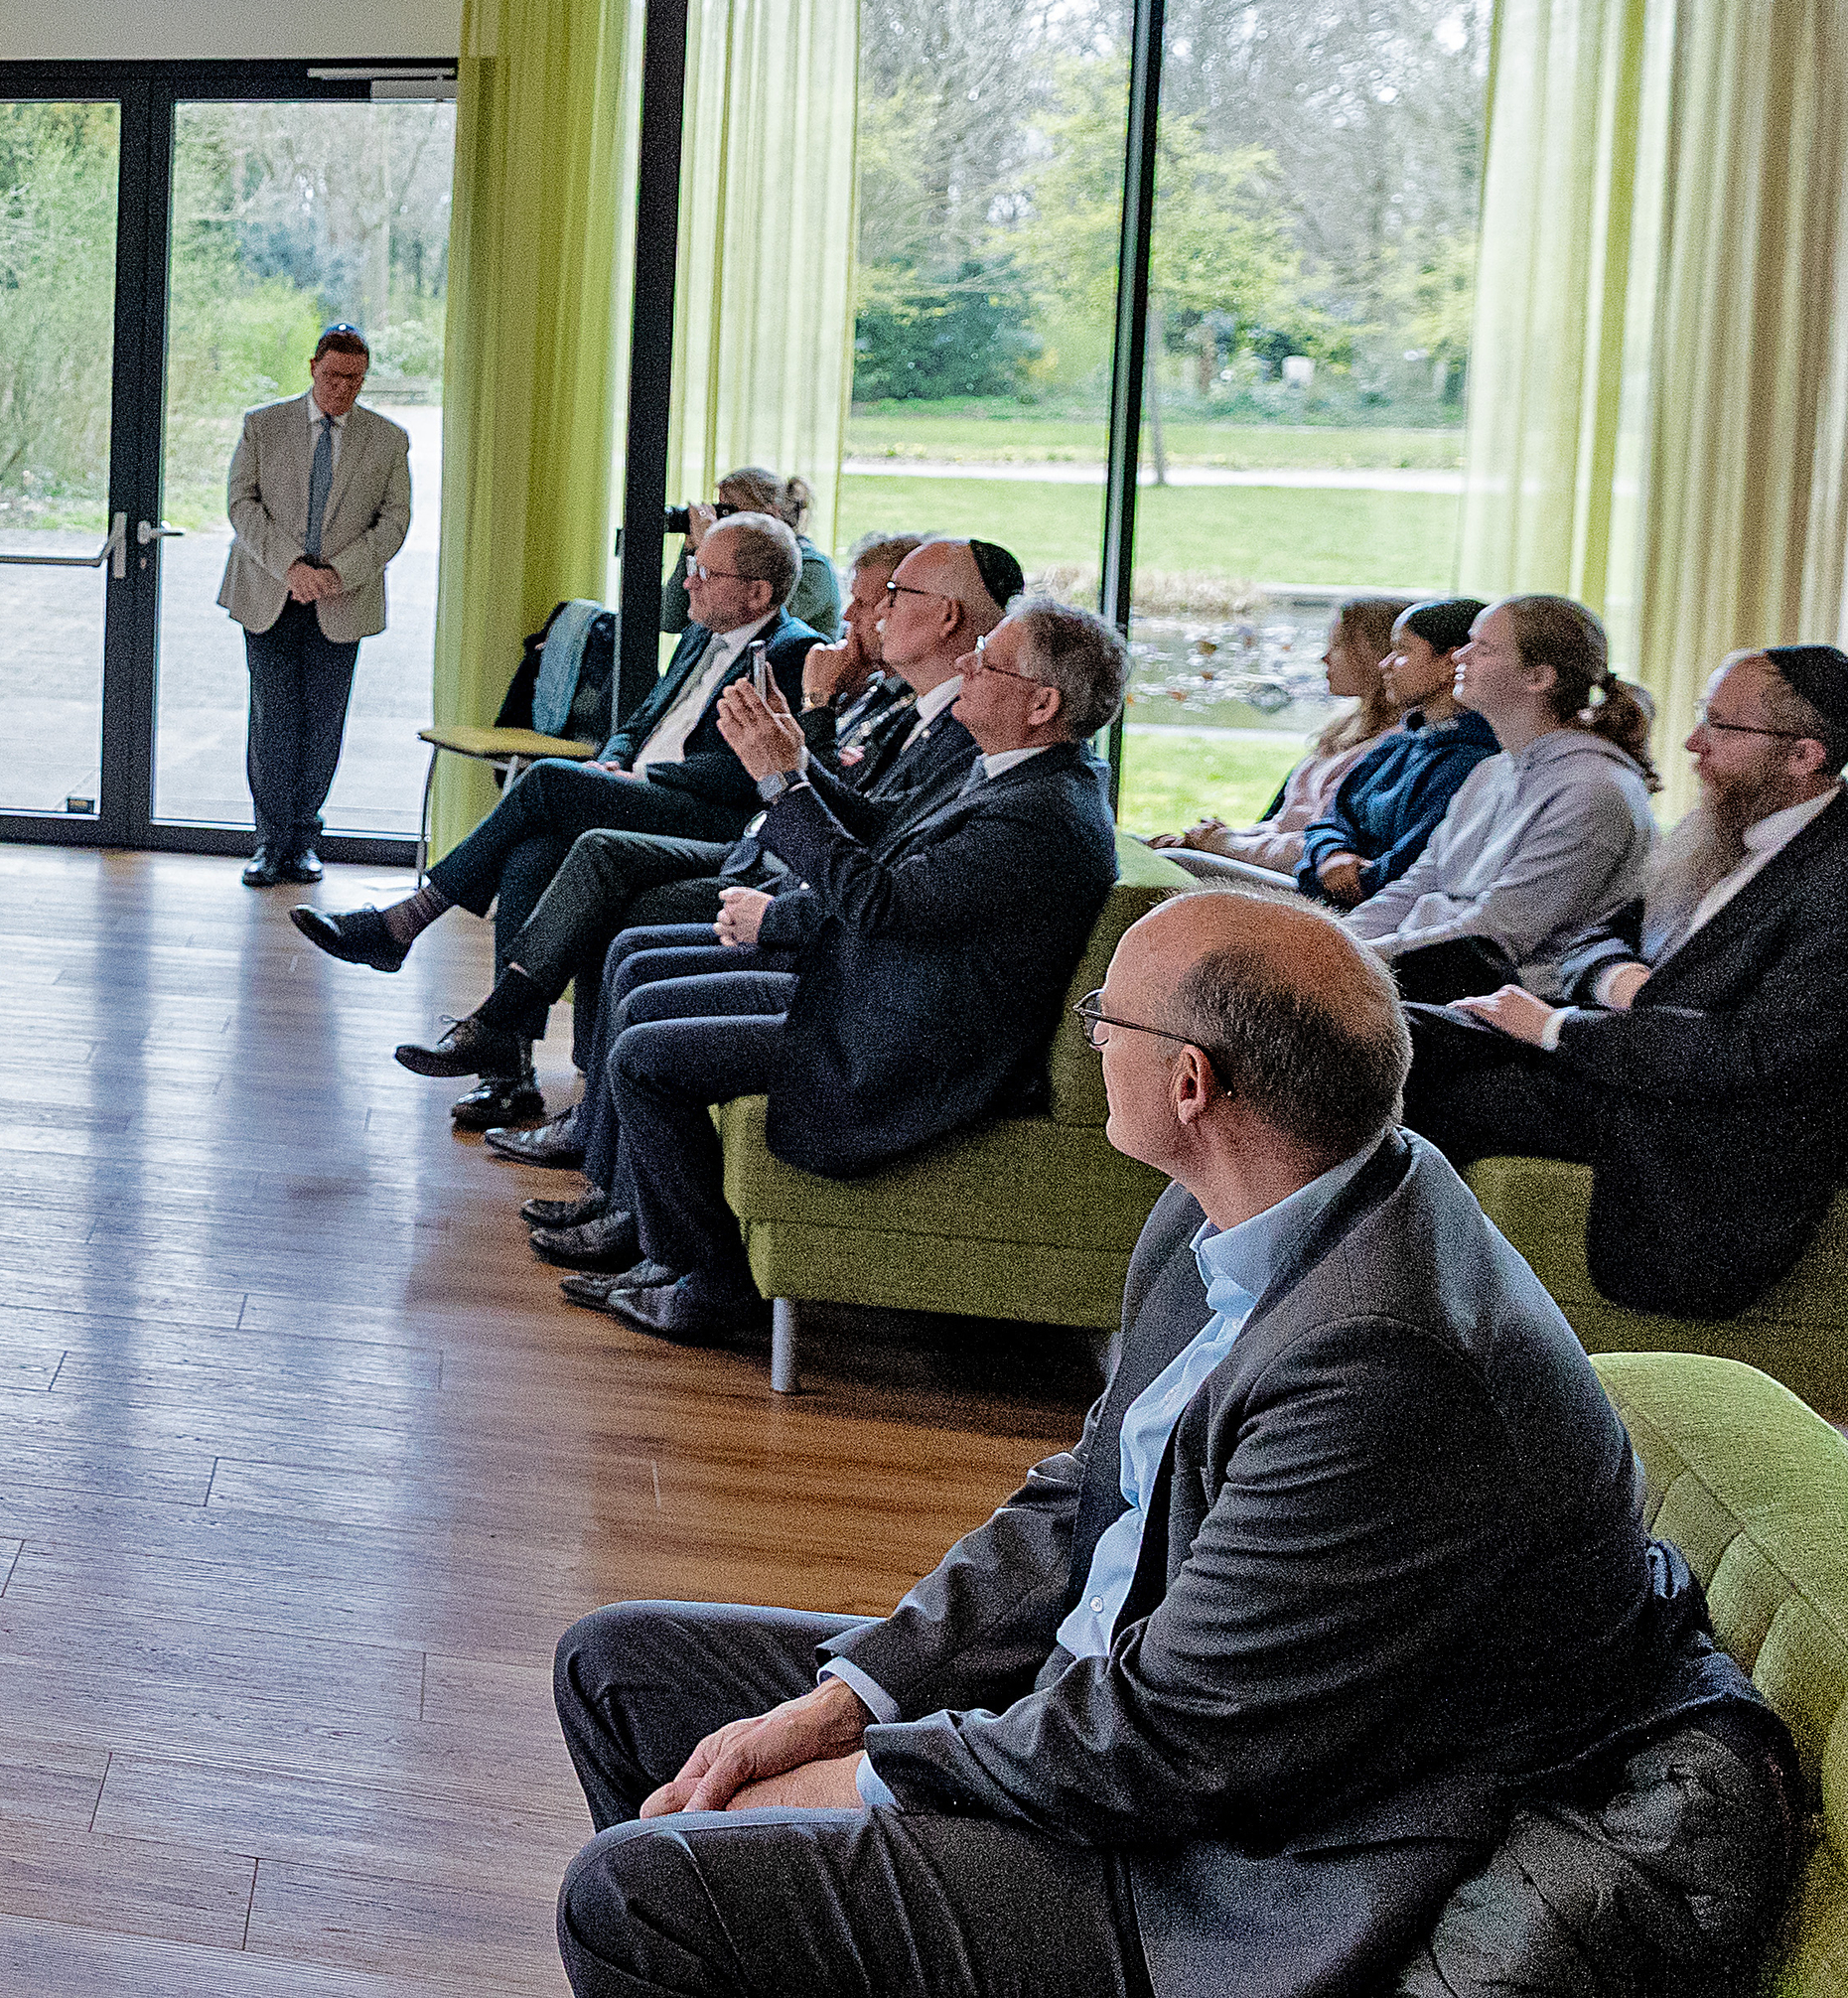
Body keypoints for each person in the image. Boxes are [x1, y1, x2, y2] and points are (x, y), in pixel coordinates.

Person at [547, 887, 1795, 1998]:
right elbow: (1090, 1496)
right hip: (1118, 1716)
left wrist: (876, 1775)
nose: (1089, 1038)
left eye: (1107, 1018)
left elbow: (1170, 1748)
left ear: (1190, 1083)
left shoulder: (1378, 1359)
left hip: (1237, 1865)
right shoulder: (1251, 1199)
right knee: (620, 1667)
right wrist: (851, 1697)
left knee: (640, 1891)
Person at [562, 599, 1126, 1345]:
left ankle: (714, 1287)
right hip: (880, 998)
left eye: (985, 660)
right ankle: (660, 1250)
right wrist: (793, 761)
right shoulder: (1021, 775)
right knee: (651, 1002)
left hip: (907, 1049)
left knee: (648, 1059)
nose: (964, 666)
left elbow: (877, 903)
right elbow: (883, 828)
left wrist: (781, 786)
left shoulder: (1041, 812)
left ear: (1041, 703)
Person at [470, 535, 1019, 1195]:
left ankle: (519, 1053)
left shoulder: (974, 747)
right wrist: (787, 754)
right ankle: (568, 1122)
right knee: (552, 852)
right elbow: (876, 833)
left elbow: (878, 878)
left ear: (950, 617)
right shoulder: (923, 714)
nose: (859, 616)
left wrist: (788, 765)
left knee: (583, 846)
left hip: (820, 934)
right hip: (786, 876)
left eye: (890, 598)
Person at [287, 514, 825, 1121]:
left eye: (707, 572)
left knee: (543, 779)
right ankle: (507, 1075)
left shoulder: (792, 651)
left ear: (757, 592)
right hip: (640, 788)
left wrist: (640, 776)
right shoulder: (702, 636)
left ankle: (406, 922)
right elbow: (637, 723)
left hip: (708, 816)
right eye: (694, 567)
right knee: (530, 853)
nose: (689, 583)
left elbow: (752, 772)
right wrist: (618, 758)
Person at [1405, 644, 1848, 1317]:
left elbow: (1750, 1055)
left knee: (1450, 1092)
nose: (1693, 743)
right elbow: (1595, 938)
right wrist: (1619, 985)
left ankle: (1408, 1312)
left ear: (1803, 757)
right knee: (1391, 1036)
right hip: (1621, 1057)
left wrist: (1555, 1027)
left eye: (1722, 727)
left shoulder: (1833, 876)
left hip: (1703, 1120)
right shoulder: (1721, 829)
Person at [1344, 594, 1657, 1001]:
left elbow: (1493, 936)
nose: (1461, 657)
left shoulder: (1593, 790)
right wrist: (1336, 939)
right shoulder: (1492, 769)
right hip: (1423, 973)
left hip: (1501, 1003)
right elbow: (1417, 884)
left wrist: (1347, 959)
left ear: (1539, 678)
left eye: (1483, 648)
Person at [220, 325, 416, 886]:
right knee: (273, 719)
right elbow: (241, 504)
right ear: (312, 368)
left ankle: (305, 840)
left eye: (354, 380)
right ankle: (268, 842)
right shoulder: (264, 425)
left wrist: (336, 574)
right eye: (333, 376)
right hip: (269, 592)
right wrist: (292, 567)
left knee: (323, 724)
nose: (342, 389)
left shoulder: (388, 439)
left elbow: (395, 523)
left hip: (341, 599)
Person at [1156, 594, 1408, 888]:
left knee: (1170, 864)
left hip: (1299, 878)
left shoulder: (1391, 747)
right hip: (1270, 859)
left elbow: (1319, 843)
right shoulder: (1346, 727)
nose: (1323, 657)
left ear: (1373, 655)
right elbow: (1284, 823)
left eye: (1338, 645)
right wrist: (1214, 839)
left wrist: (1225, 844)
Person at [1294, 596, 1496, 909]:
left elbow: (1409, 868)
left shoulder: (1467, 761)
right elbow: (1332, 818)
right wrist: (1331, 853)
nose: (1384, 664)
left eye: (1402, 651)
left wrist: (1342, 879)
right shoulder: (1400, 742)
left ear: (1449, 663)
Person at [658, 466, 840, 639]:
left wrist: (710, 545)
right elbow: (671, 618)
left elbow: (748, 620)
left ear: (769, 515)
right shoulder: (733, 558)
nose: (721, 520)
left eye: (728, 511)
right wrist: (694, 550)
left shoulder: (814, 569)